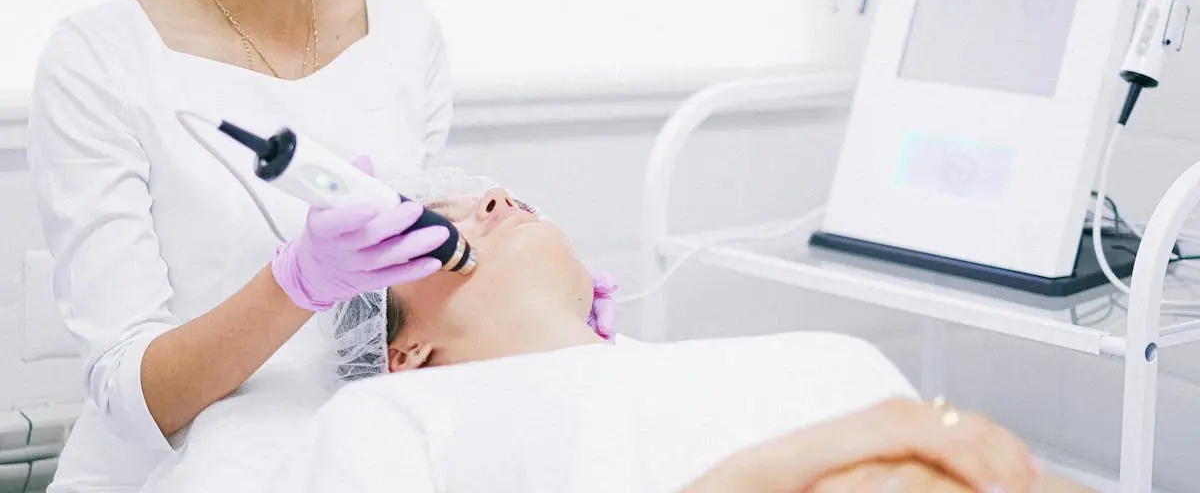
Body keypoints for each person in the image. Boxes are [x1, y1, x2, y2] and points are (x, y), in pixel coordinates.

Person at [24, 0, 611, 490]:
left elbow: (404, 312)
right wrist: (292, 284)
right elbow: (134, 399)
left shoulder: (403, 32)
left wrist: (538, 307)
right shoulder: (101, 60)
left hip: (355, 455)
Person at [268, 187, 1092, 493]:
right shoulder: (391, 416)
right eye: (424, 229)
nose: (488, 197)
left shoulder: (811, 354)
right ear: (401, 350)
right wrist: (859, 441)